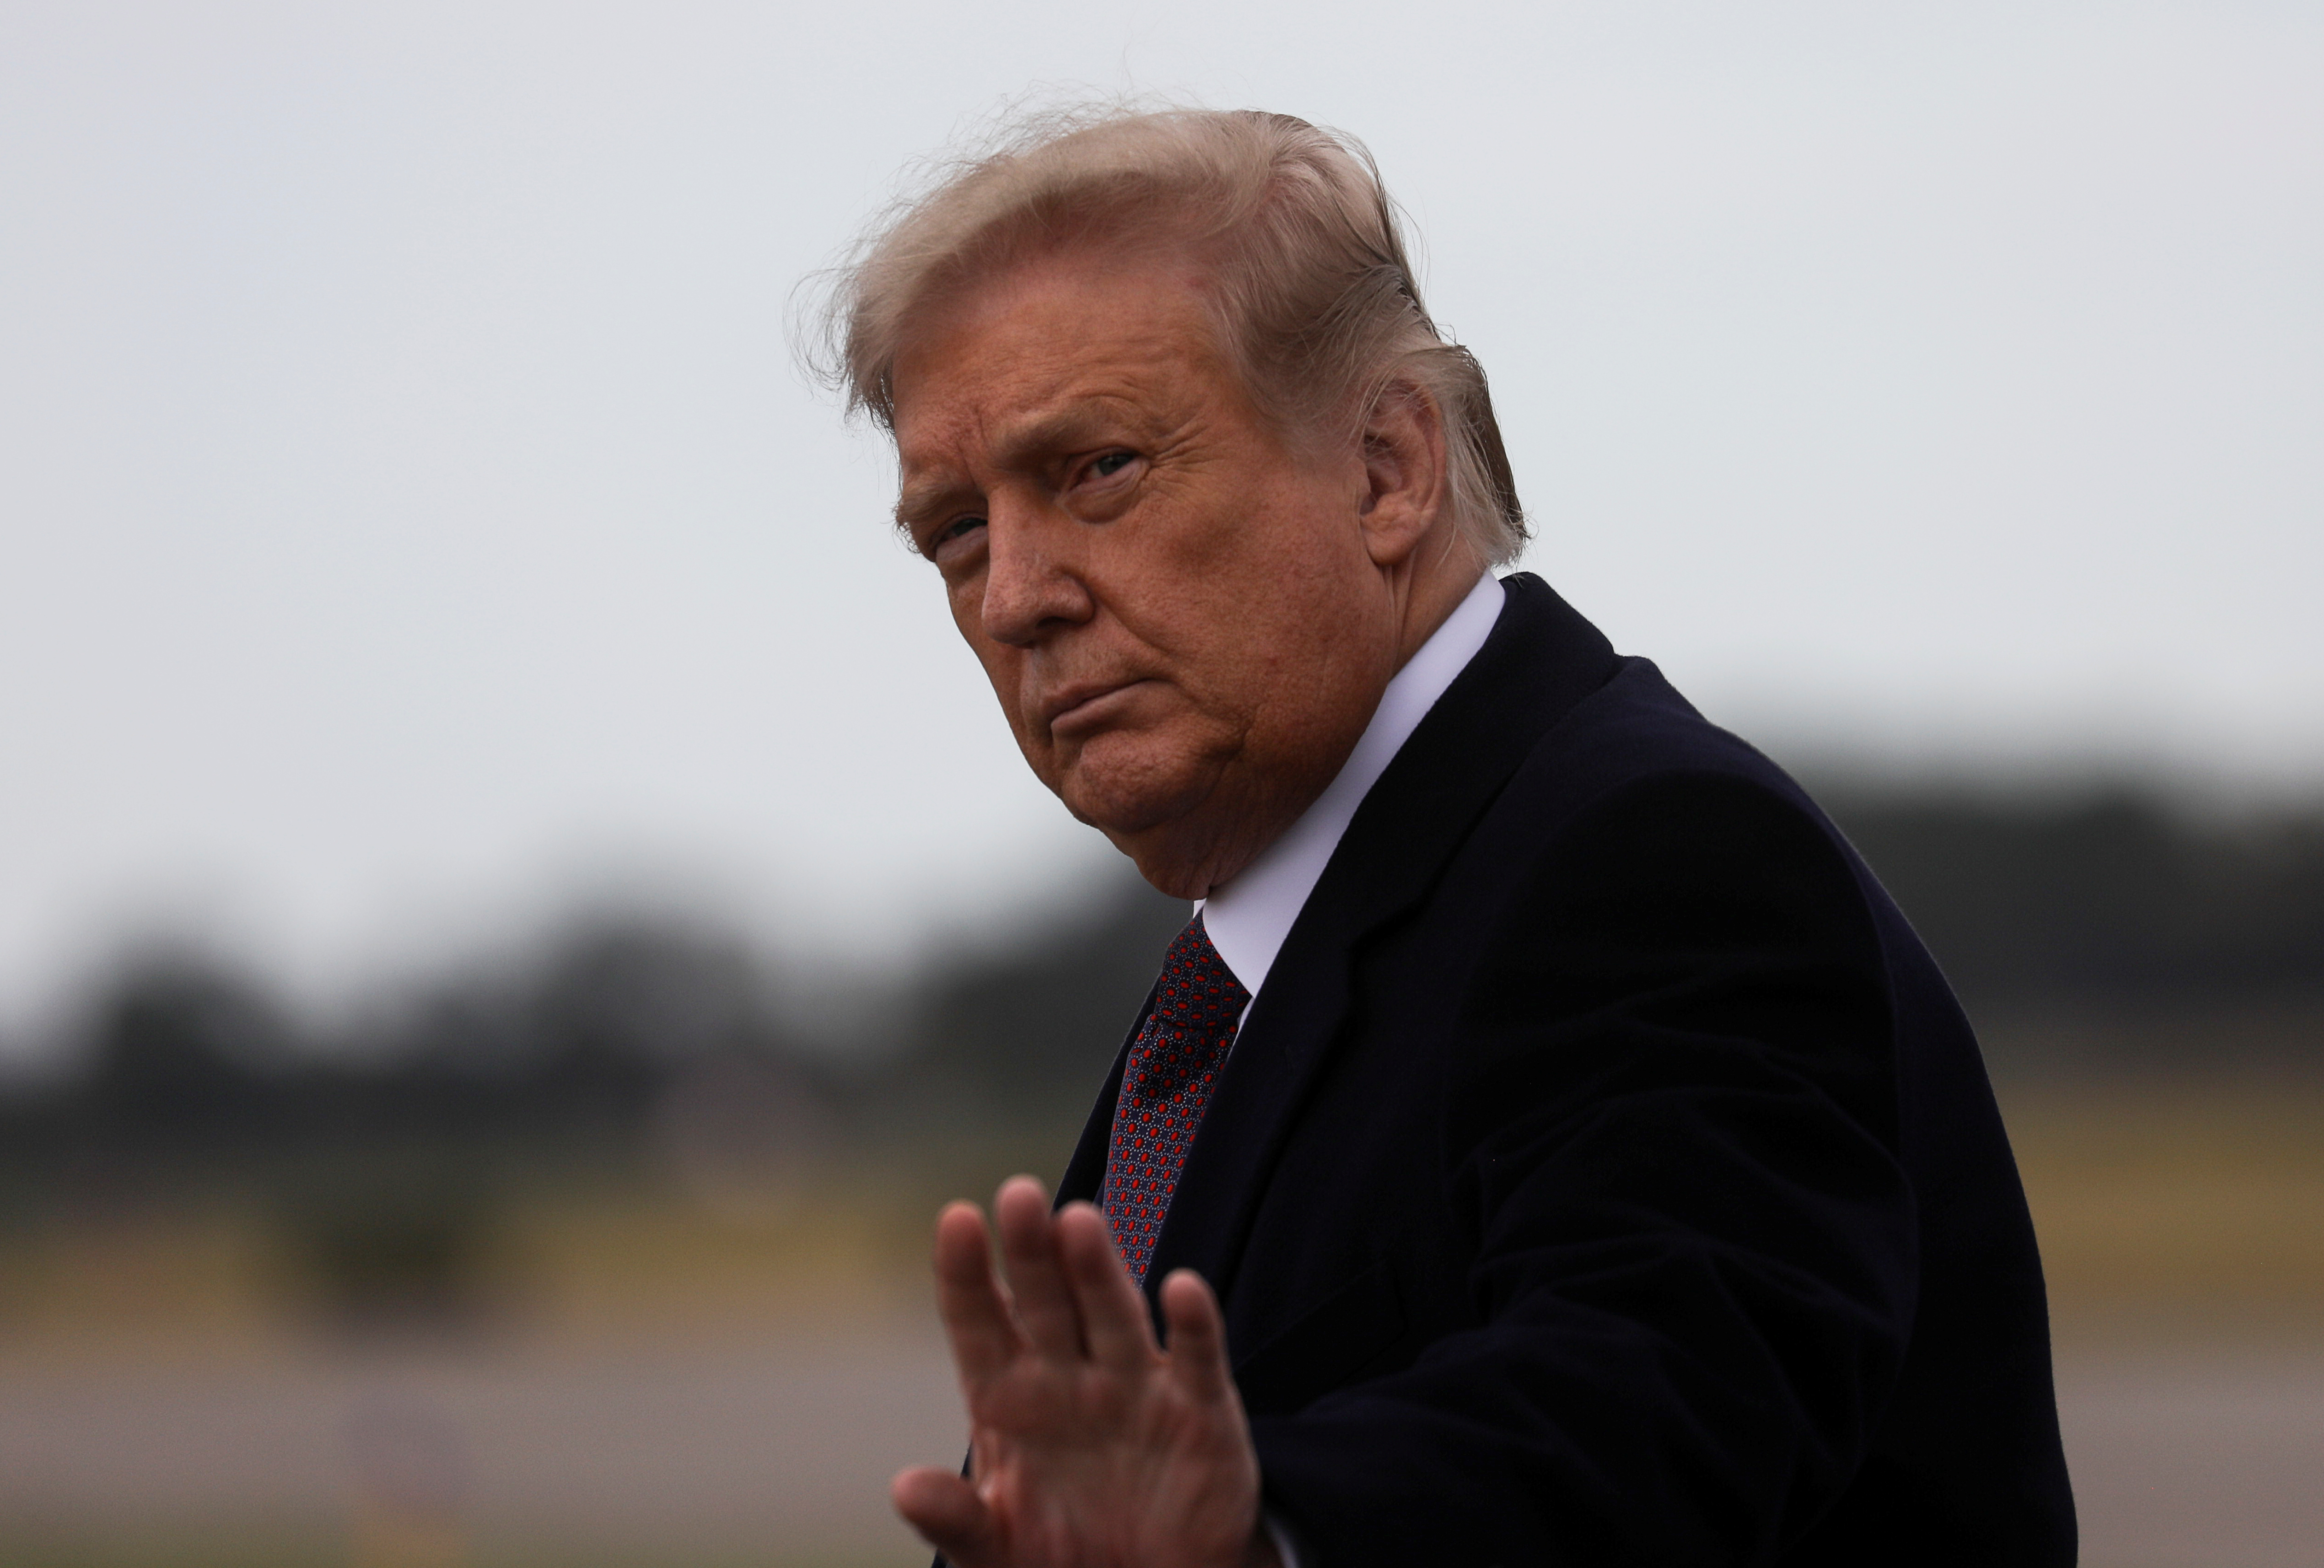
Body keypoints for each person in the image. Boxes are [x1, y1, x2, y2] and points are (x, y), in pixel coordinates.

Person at [811, 105, 2074, 1568]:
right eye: (957, 530)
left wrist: (1259, 1534)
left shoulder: (1652, 859)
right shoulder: (1263, 951)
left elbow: (1662, 1400)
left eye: (1098, 470)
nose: (1018, 591)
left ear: (1387, 470)